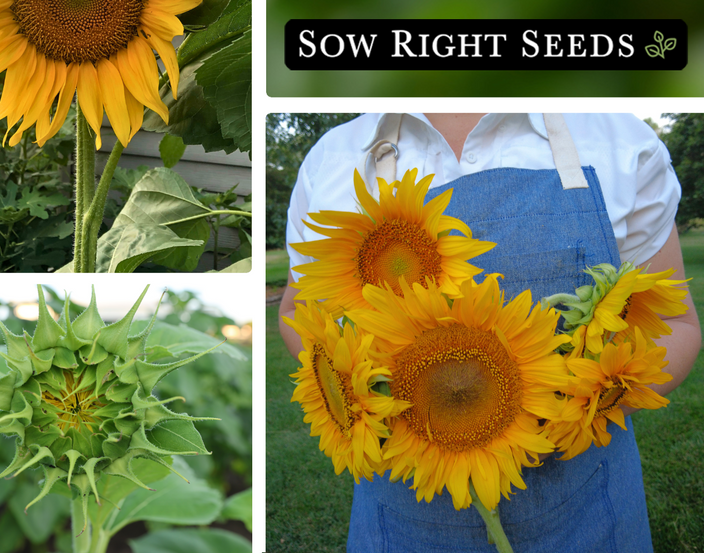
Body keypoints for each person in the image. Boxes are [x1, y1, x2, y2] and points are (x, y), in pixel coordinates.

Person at [279, 112, 701, 553]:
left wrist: (582, 406)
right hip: (401, 516)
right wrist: (355, 391)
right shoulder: (332, 157)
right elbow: (298, 311)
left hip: (590, 512)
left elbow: (675, 322)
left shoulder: (616, 136)